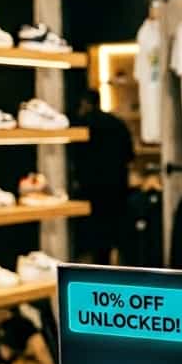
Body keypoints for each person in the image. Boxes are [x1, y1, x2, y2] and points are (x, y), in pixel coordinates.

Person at [71, 89, 134, 264]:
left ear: (85, 103)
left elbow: (75, 158)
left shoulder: (81, 126)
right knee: (115, 234)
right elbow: (129, 155)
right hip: (117, 186)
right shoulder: (117, 123)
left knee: (95, 238)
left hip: (91, 188)